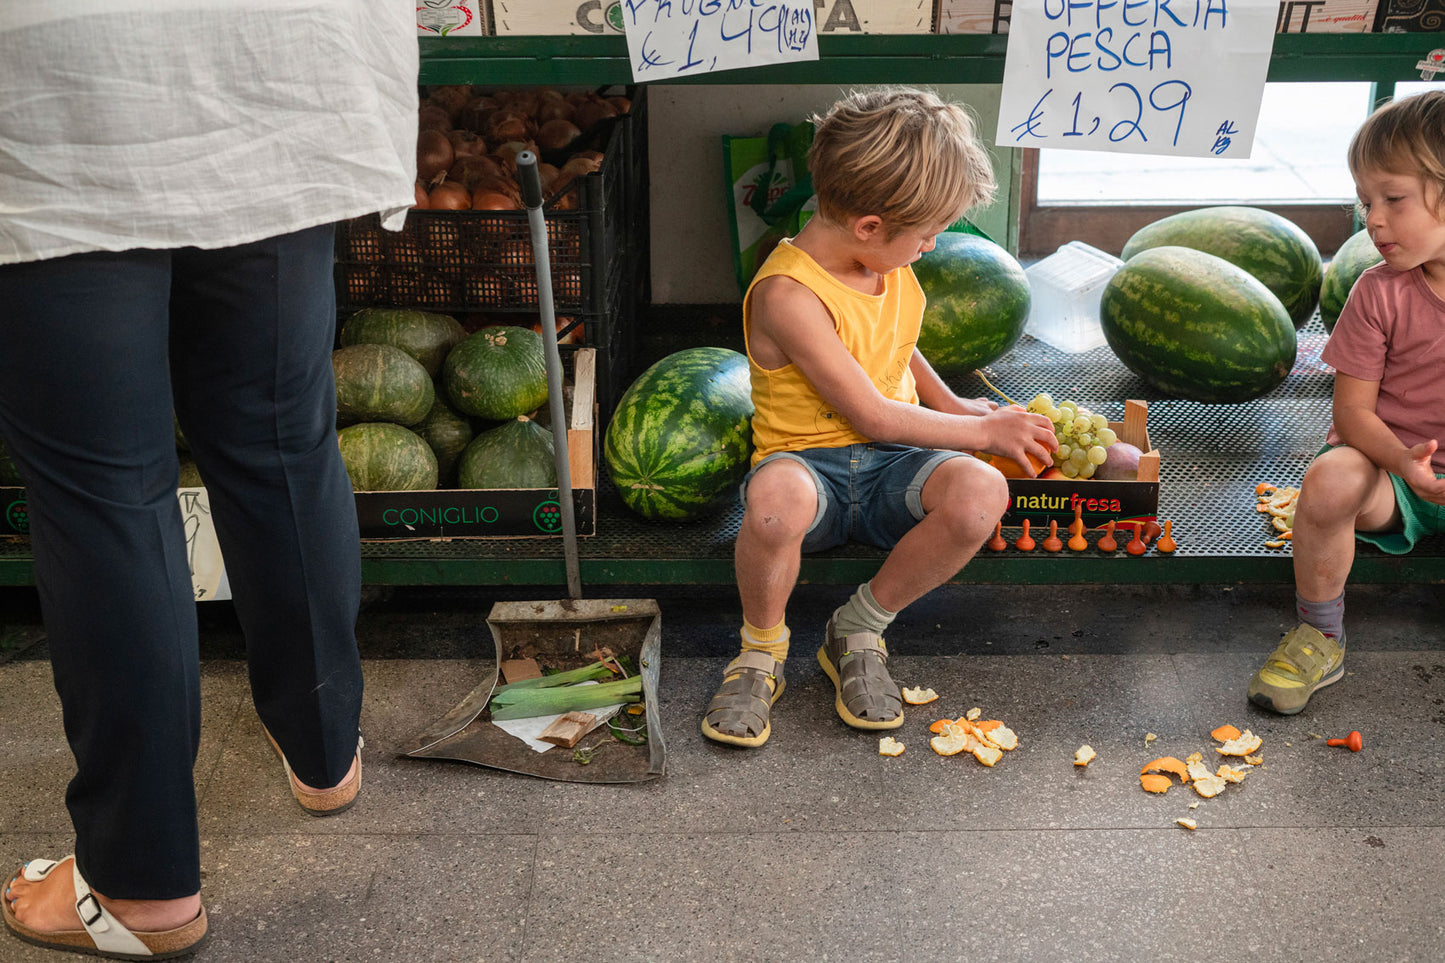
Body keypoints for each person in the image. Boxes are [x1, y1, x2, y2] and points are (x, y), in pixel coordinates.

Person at [0, 2, 416, 957]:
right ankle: (323, 751)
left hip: (63, 82)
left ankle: (142, 886)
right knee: (279, 436)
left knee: (108, 500)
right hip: (270, 57)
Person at [702, 87, 1057, 747]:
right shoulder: (787, 293)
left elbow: (895, 339)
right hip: (809, 468)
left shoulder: (882, 265)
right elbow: (871, 413)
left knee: (983, 492)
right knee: (774, 503)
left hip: (893, 467)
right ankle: (760, 652)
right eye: (924, 236)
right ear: (869, 225)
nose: (928, 247)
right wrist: (982, 430)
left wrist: (948, 401)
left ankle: (858, 628)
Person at [1248, 90, 1445, 715]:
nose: (1373, 221)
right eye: (1365, 202)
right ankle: (1320, 635)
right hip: (1395, 476)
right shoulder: (1377, 291)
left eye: (1393, 199)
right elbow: (1352, 415)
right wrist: (1407, 464)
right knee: (1329, 481)